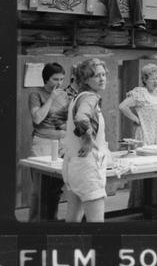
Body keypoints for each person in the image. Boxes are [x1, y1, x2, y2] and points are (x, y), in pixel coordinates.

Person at [118, 64, 157, 207]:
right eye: (152, 78)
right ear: (145, 79)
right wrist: (136, 119)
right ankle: (145, 204)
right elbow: (123, 106)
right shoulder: (140, 93)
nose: (156, 81)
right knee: (149, 170)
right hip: (148, 136)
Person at [62, 58, 109, 222]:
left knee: (73, 220)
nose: (102, 78)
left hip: (74, 165)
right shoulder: (90, 97)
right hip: (88, 167)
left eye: (103, 74)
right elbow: (82, 119)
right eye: (96, 76)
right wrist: (88, 139)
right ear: (85, 79)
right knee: (96, 225)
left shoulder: (78, 96)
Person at [28, 62, 69, 221]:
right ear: (46, 79)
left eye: (62, 79)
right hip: (43, 143)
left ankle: (52, 221)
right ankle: (35, 225)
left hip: (61, 144)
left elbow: (63, 120)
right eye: (55, 79)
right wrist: (51, 98)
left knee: (56, 188)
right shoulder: (36, 95)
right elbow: (37, 118)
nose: (59, 83)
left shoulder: (65, 95)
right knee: (40, 189)